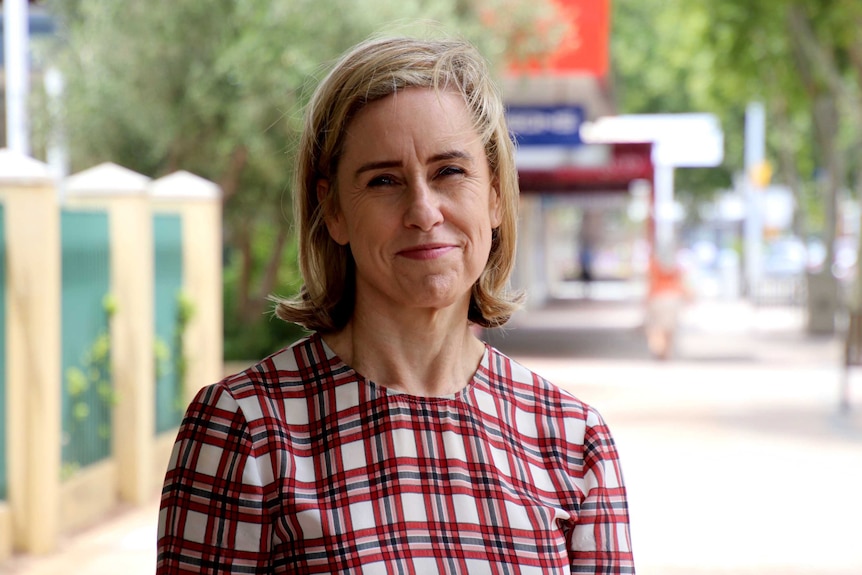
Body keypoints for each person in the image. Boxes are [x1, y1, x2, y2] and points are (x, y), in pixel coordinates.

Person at [157, 35, 635, 574]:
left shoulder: (572, 439)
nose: (423, 210)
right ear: (333, 210)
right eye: (383, 180)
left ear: (496, 195)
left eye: (449, 172)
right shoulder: (246, 430)